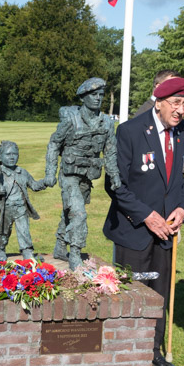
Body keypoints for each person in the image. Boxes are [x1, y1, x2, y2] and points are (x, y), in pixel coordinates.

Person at [104, 76, 184, 366]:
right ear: (159, 103)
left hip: (167, 231)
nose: (181, 110)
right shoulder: (130, 131)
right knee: (131, 291)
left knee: (159, 294)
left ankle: (152, 351)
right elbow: (115, 185)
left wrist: (182, 207)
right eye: (175, 103)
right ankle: (122, 350)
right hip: (134, 230)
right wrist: (147, 216)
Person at [43, 78, 121, 270]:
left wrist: (114, 176)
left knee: (70, 210)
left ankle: (61, 246)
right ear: (83, 97)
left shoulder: (106, 123)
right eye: (93, 95)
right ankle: (75, 254)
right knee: (79, 214)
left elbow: (110, 151)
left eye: (101, 95)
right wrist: (50, 172)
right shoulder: (71, 120)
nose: (98, 99)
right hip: (69, 174)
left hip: (87, 176)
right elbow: (54, 143)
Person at [0, 140, 46, 261]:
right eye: (8, 154)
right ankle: (1, 249)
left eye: (15, 154)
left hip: (21, 208)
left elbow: (34, 185)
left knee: (24, 230)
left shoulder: (22, 172)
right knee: (4, 231)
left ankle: (27, 251)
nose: (12, 157)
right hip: (7, 208)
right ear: (0, 157)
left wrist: (45, 182)